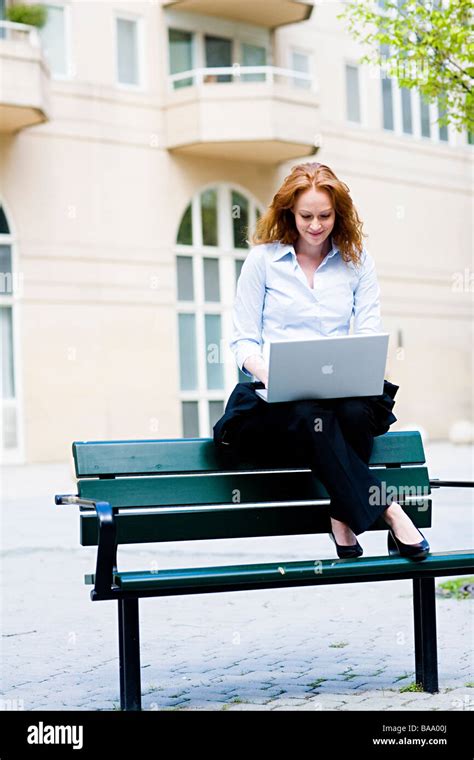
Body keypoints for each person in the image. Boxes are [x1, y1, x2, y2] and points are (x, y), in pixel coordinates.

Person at [213, 161, 429, 561]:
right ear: (289, 214)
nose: (315, 225)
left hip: (338, 402)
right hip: (272, 409)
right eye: (306, 216)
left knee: (349, 411)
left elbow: (367, 331)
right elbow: (243, 341)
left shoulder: (356, 261)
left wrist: (361, 366)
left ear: (338, 213)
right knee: (310, 411)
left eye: (325, 215)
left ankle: (343, 517)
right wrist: (271, 374)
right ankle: (390, 510)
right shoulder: (262, 262)